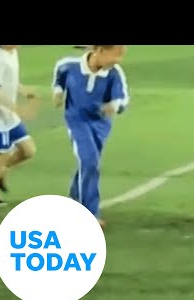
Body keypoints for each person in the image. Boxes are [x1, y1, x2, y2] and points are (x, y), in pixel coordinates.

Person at [52, 45, 129, 228]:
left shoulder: (114, 73)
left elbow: (123, 98)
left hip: (101, 124)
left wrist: (115, 106)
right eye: (115, 55)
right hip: (77, 121)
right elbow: (59, 75)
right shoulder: (69, 66)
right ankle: (88, 213)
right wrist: (58, 91)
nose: (118, 60)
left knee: (89, 162)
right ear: (100, 51)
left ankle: (74, 198)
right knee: (89, 161)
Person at [0, 45, 39, 204]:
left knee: (28, 151)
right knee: (3, 154)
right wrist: (18, 109)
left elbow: (11, 81)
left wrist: (25, 91)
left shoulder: (11, 52)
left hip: (9, 116)